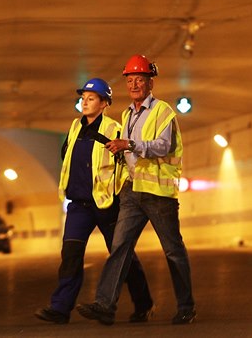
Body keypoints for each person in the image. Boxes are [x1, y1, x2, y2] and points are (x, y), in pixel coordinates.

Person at [76, 55, 195, 325]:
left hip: (159, 194)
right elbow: (130, 150)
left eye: (139, 79)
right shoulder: (127, 113)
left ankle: (186, 306)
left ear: (150, 83)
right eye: (130, 80)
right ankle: (105, 305)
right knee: (120, 247)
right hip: (132, 190)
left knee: (173, 250)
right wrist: (119, 151)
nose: (134, 84)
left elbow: (163, 146)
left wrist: (129, 144)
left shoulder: (163, 111)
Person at [34, 78, 153, 324]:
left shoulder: (114, 128)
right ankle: (60, 308)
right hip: (78, 205)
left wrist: (121, 197)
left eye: (90, 98)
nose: (84, 102)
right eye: (83, 98)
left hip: (106, 203)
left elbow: (125, 165)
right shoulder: (74, 127)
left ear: (104, 103)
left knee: (122, 256)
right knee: (71, 255)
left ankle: (143, 304)